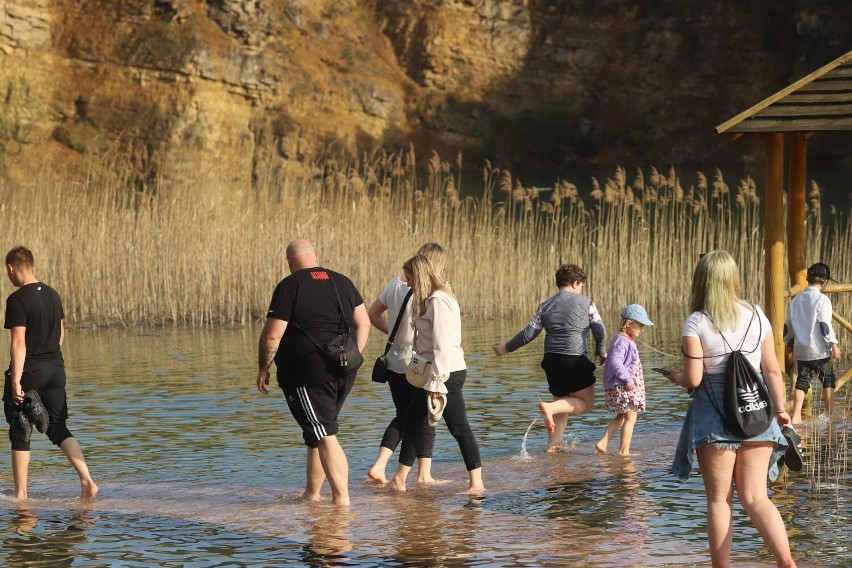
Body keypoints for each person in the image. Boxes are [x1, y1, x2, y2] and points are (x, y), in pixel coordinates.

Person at [668, 250, 796, 568]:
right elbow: (772, 370)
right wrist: (781, 411)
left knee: (719, 500)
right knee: (756, 498)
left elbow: (694, 378)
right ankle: (787, 563)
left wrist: (675, 377)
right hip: (757, 413)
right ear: (733, 278)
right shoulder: (756, 315)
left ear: (701, 280)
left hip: (713, 416)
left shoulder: (696, 321)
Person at [256, 239, 370, 507]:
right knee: (315, 433)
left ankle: (342, 502)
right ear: (316, 256)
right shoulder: (342, 281)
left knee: (324, 432)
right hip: (344, 370)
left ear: (289, 262)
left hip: (307, 374)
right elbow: (363, 322)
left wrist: (263, 368)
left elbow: (272, 336)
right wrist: (350, 357)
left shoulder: (289, 285)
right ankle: (312, 494)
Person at [3, 246, 98, 500]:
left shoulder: (17, 300)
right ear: (32, 265)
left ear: (11, 268)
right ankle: (87, 481)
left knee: (20, 428)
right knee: (58, 427)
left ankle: (21, 495)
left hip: (30, 370)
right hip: (56, 369)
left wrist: (15, 380)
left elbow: (19, 343)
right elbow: (60, 334)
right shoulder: (53, 295)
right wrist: (49, 359)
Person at [387, 254, 484, 493]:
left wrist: (437, 382)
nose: (407, 283)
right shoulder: (430, 299)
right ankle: (399, 480)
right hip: (430, 370)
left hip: (445, 372)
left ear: (419, 276)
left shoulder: (438, 300)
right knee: (412, 420)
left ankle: (477, 484)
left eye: (409, 278)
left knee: (458, 426)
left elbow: (441, 344)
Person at [492, 264, 607, 451]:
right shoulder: (587, 302)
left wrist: (506, 347)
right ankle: (550, 409)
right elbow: (600, 330)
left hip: (551, 360)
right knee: (585, 405)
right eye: (581, 286)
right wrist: (602, 352)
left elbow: (529, 333)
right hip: (574, 359)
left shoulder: (545, 306)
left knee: (562, 403)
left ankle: (553, 446)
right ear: (575, 282)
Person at [366, 243, 446, 484]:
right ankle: (423, 475)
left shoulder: (395, 283)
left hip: (393, 362)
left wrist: (392, 333)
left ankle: (381, 467)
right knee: (425, 418)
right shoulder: (428, 291)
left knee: (403, 416)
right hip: (417, 362)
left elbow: (372, 314)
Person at [784, 262, 842, 425]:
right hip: (819, 351)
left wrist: (788, 341)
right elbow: (824, 324)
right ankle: (830, 414)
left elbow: (787, 324)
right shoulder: (822, 300)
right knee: (828, 379)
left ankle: (796, 416)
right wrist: (834, 344)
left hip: (801, 350)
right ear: (824, 282)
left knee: (802, 381)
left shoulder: (797, 300)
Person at [595, 304, 653, 456]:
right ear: (628, 324)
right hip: (623, 385)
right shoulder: (623, 341)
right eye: (640, 325)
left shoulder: (623, 339)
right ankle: (624, 451)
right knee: (631, 417)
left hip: (622, 385)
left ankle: (603, 443)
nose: (642, 329)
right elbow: (615, 362)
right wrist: (628, 380)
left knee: (622, 416)